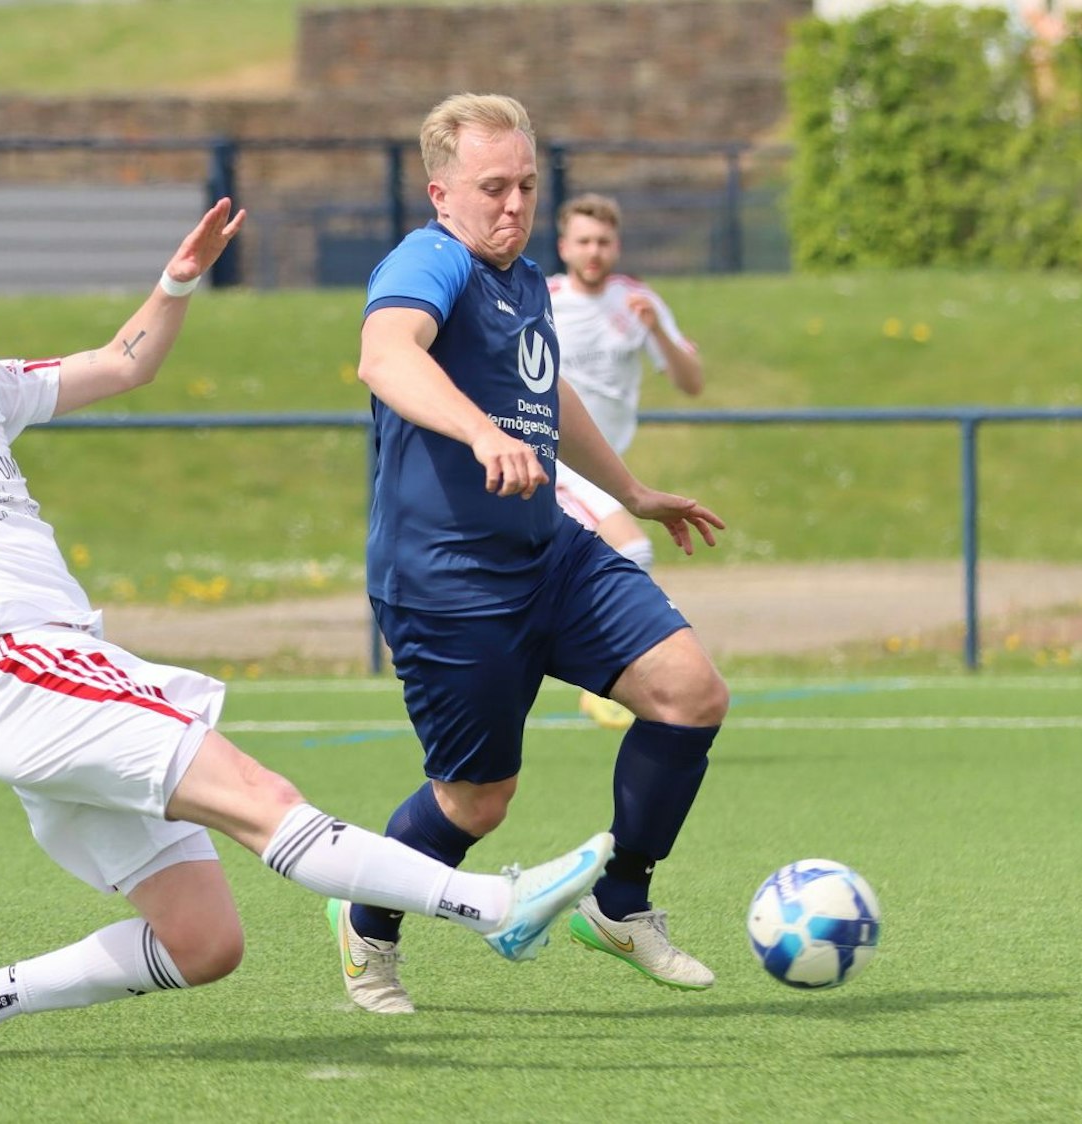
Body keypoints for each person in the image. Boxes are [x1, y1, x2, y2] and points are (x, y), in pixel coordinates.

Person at [0, 198, 616, 1062]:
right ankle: (494, 903)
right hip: (29, 669)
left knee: (203, 940)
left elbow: (120, 364)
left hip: (58, 684)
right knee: (263, 799)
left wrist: (173, 284)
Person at [332, 94, 731, 1014]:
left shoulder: (524, 280)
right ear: (441, 193)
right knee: (477, 804)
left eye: (526, 186)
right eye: (492, 188)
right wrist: (478, 435)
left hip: (550, 554)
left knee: (691, 692)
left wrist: (631, 492)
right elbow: (386, 355)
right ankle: (365, 926)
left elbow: (548, 402)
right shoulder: (430, 259)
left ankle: (619, 902)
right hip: (449, 585)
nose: (513, 206)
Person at [547, 192, 706, 730]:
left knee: (560, 573)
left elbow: (692, 382)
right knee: (633, 547)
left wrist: (656, 331)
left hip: (604, 466)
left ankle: (577, 659)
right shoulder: (540, 299)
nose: (594, 251)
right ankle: (609, 678)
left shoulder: (638, 300)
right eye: (584, 240)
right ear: (564, 245)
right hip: (553, 460)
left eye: (604, 241)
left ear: (616, 246)